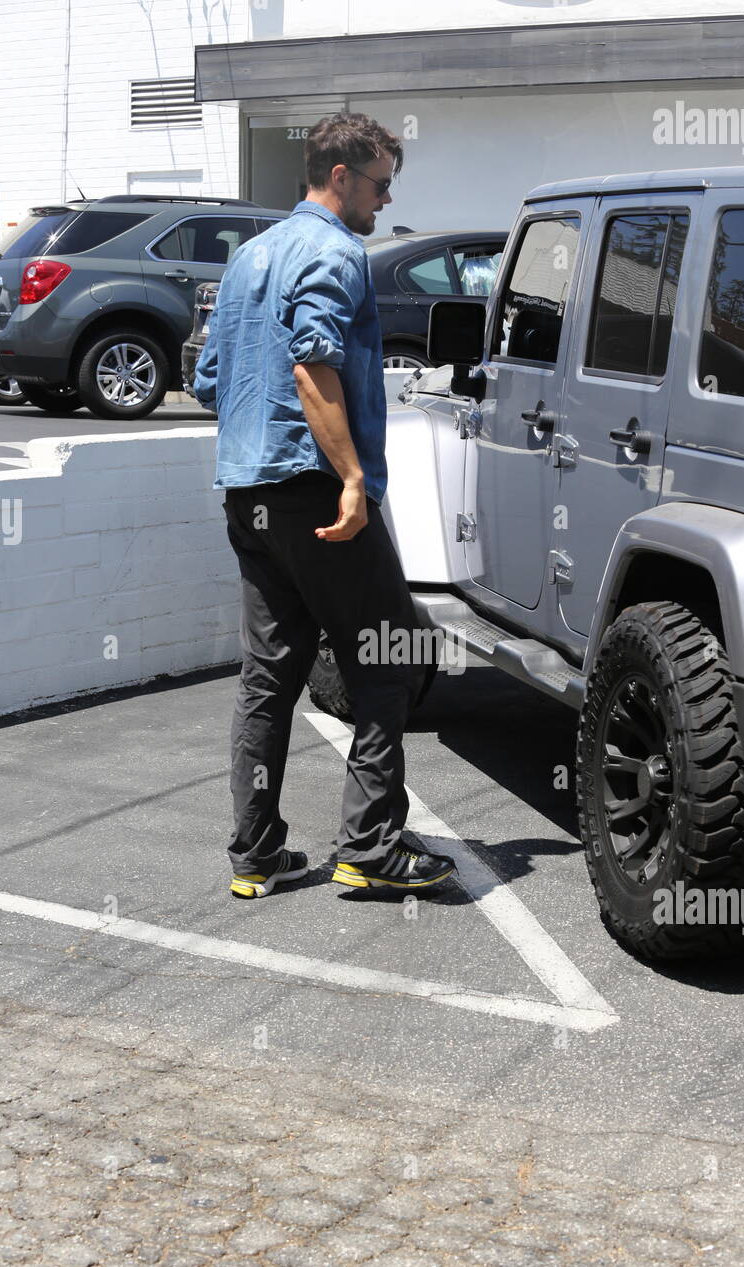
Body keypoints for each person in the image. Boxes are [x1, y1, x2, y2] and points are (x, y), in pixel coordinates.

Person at [194, 112, 456, 900]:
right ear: (340, 177)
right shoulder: (335, 251)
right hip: (316, 492)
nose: (384, 199)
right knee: (388, 658)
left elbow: (210, 377)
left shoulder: (250, 255)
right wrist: (347, 478)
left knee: (269, 677)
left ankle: (256, 854)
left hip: (249, 495)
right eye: (379, 185)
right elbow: (313, 366)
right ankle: (371, 850)